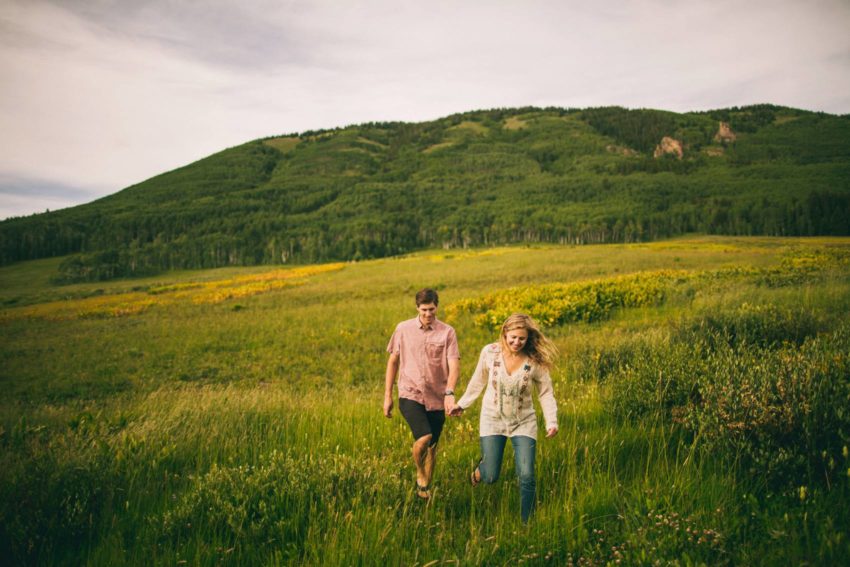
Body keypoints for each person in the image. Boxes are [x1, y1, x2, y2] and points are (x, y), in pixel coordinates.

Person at [450, 313, 558, 523]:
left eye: (522, 338)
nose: (517, 342)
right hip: (492, 419)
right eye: (513, 337)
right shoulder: (490, 352)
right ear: (504, 333)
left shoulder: (535, 360)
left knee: (526, 474)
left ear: (528, 338)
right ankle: (481, 470)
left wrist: (551, 421)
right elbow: (477, 381)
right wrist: (462, 404)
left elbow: (546, 392)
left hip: (524, 421)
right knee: (491, 476)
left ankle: (528, 523)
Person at [384, 288, 460, 500]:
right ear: (417, 308)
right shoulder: (403, 329)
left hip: (437, 397)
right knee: (424, 437)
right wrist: (387, 396)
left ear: (437, 307)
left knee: (433, 447)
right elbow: (393, 362)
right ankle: (419, 471)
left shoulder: (447, 332)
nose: (428, 314)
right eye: (424, 309)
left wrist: (450, 393)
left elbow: (454, 365)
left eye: (432, 309)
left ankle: (425, 489)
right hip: (411, 392)